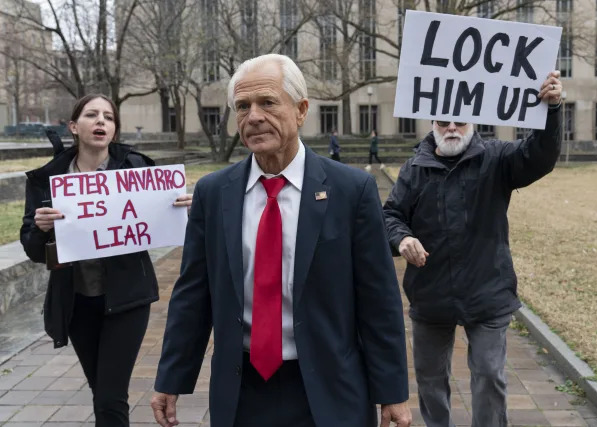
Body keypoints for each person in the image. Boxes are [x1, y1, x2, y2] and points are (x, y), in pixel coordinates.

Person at [151, 54, 411, 427]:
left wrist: (392, 391)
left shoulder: (351, 191)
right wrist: (171, 378)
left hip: (330, 390)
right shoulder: (213, 193)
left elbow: (379, 300)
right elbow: (193, 293)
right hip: (242, 392)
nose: (253, 116)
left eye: (267, 102)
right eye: (242, 107)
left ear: (301, 110)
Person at [383, 71, 564, 427]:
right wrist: (402, 239)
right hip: (431, 295)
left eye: (460, 121)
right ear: (433, 124)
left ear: (473, 122)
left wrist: (552, 110)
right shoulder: (414, 169)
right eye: (443, 121)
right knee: (432, 382)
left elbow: (539, 157)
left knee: (489, 378)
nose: (452, 128)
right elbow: (390, 215)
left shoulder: (497, 159)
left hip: (487, 294)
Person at [20, 94, 192, 427]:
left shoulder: (135, 167)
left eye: (108, 117)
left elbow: (158, 217)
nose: (101, 122)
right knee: (103, 393)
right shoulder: (47, 180)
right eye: (92, 115)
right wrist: (41, 229)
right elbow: (31, 249)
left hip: (127, 299)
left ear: (114, 129)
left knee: (110, 397)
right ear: (73, 126)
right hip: (77, 302)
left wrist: (178, 206)